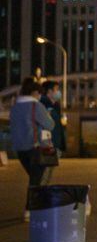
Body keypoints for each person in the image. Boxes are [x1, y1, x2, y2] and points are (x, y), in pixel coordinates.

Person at [11, 78, 55, 217]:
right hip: (35, 147)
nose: (40, 96)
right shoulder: (36, 106)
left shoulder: (15, 106)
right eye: (39, 94)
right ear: (35, 92)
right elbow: (50, 124)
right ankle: (30, 209)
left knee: (35, 177)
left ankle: (39, 204)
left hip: (19, 148)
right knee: (37, 179)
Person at [39, 80, 65, 184]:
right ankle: (39, 195)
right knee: (45, 173)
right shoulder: (42, 104)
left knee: (49, 173)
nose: (58, 92)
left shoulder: (56, 105)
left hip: (56, 143)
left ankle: (42, 195)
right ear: (49, 91)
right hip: (48, 144)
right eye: (56, 90)